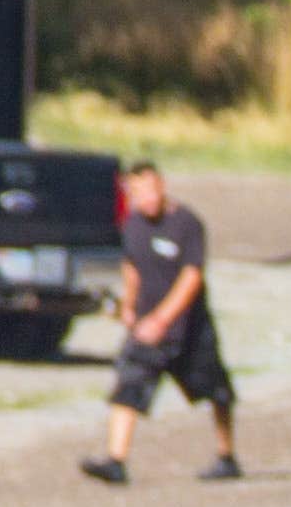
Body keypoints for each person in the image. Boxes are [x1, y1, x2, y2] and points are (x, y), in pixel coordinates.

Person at [86, 161, 239, 485]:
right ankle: (116, 461)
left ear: (162, 185)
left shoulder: (187, 224)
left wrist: (162, 318)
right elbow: (132, 267)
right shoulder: (133, 225)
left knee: (217, 391)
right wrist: (129, 305)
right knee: (128, 386)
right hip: (146, 331)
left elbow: (191, 277)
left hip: (189, 330)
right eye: (139, 193)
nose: (147, 199)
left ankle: (226, 455)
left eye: (152, 190)